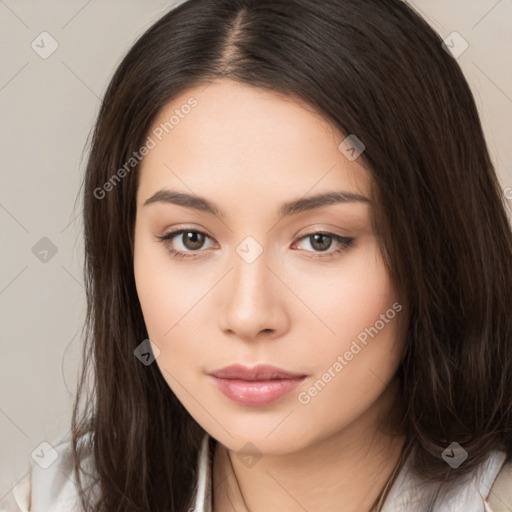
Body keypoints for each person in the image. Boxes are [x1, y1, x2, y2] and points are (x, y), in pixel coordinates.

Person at [2, 0, 511, 510]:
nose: (248, 315)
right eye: (191, 238)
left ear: (438, 246)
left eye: (321, 240)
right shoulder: (55, 500)